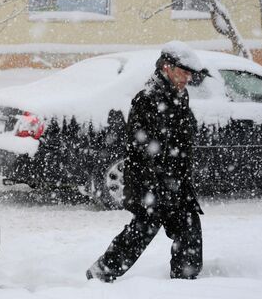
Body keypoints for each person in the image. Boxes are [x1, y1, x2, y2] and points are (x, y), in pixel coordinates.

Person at [86, 41, 205, 282]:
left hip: (174, 183)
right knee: (140, 232)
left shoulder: (179, 95)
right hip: (152, 184)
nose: (187, 78)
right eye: (182, 72)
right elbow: (143, 148)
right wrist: (158, 185)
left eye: (189, 74)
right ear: (166, 68)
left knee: (187, 231)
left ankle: (185, 282)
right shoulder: (148, 99)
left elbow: (180, 139)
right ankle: (100, 274)